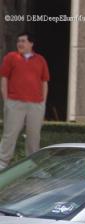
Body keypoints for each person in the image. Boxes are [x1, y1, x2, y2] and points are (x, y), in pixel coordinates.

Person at [0, 32, 50, 168]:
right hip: (15, 103)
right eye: (18, 41)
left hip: (36, 105)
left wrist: (43, 103)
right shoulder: (11, 57)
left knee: (34, 137)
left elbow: (44, 82)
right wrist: (6, 100)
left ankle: (32, 167)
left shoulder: (41, 60)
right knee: (10, 135)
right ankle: (2, 164)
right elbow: (4, 78)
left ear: (31, 43)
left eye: (23, 41)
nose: (20, 44)